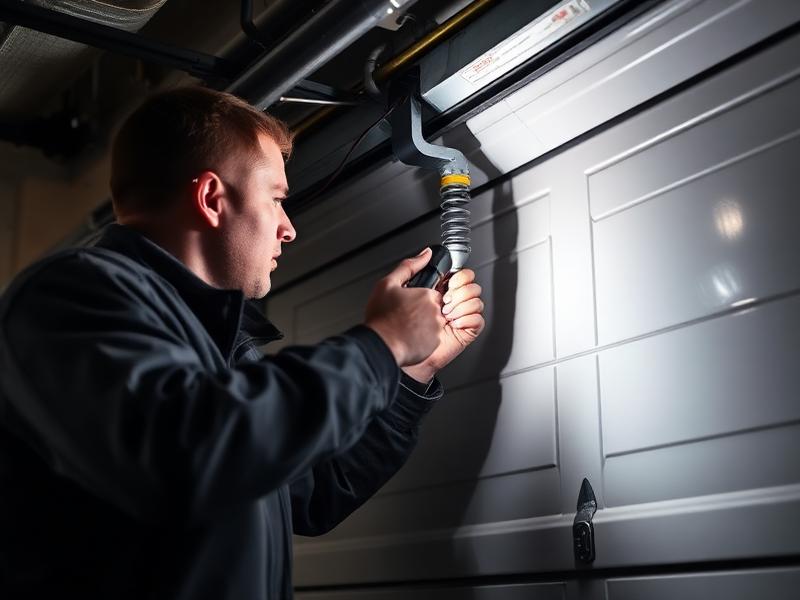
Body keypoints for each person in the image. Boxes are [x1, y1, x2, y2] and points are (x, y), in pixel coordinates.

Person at [0, 86, 485, 599]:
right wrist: (383, 342)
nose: (288, 228)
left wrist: (411, 370)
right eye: (276, 199)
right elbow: (188, 452)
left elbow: (317, 492)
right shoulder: (72, 296)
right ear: (212, 199)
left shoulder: (217, 347)